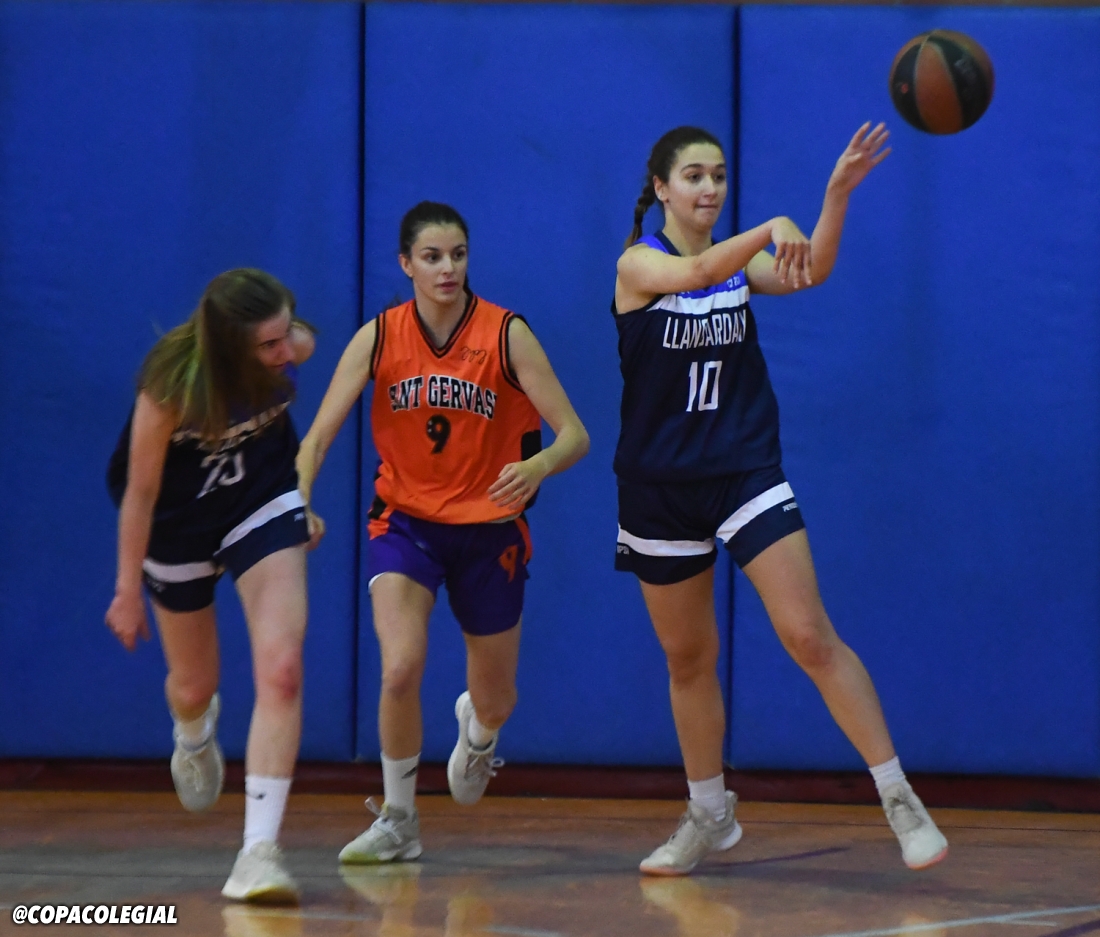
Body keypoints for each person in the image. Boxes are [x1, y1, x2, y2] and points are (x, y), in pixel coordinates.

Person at [612, 124, 948, 875]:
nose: (709, 188)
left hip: (744, 469)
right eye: (694, 176)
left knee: (808, 634)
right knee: (688, 657)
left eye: (718, 175)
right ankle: (708, 812)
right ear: (661, 188)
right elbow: (697, 271)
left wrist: (836, 194)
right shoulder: (639, 264)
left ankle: (898, 796)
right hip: (659, 487)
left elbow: (810, 270)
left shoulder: (739, 268)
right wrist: (768, 225)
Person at [296, 201, 589, 864]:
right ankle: (398, 817)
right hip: (406, 523)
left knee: (497, 698)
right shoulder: (379, 337)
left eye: (457, 254)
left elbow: (575, 434)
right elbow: (314, 439)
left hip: (490, 529)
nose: (447, 268)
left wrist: (538, 464)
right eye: (432, 257)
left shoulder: (506, 333)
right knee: (400, 665)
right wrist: (300, 503)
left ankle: (479, 733)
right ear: (406, 264)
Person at [105, 268, 321, 903]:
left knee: (282, 669)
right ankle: (194, 729)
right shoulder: (169, 387)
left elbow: (297, 358)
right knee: (195, 683)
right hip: (178, 521)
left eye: (287, 333)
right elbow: (140, 493)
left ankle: (259, 852)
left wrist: (299, 508)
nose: (287, 353)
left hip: (260, 497)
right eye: (269, 345)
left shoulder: (296, 345)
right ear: (229, 348)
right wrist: (125, 591)